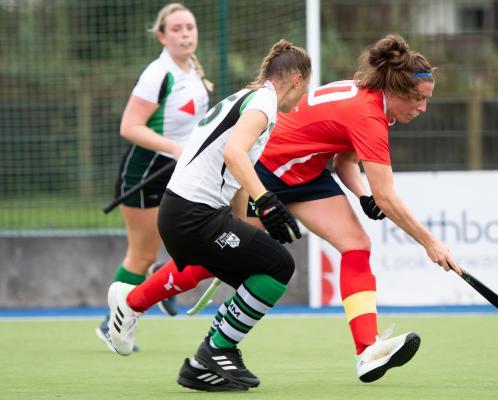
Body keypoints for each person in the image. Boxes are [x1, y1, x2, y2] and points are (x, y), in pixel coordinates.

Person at [107, 33, 461, 384]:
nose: (423, 107)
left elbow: (344, 162)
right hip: (266, 169)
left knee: (356, 246)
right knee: (218, 258)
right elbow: (388, 196)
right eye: (418, 99)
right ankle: (134, 301)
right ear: (396, 90)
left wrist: (361, 194)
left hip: (307, 172)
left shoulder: (372, 102)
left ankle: (367, 350)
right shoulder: (367, 115)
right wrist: (430, 242)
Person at [106, 39, 311, 392]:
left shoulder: (247, 97)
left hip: (185, 211)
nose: (302, 98)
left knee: (227, 262)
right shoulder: (263, 103)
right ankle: (215, 350)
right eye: (304, 89)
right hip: (191, 215)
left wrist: (244, 228)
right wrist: (268, 202)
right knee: (279, 266)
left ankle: (135, 303)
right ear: (295, 79)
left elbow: (236, 175)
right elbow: (235, 154)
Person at [96, 3, 212, 352]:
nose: (185, 34)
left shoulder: (194, 70)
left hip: (181, 173)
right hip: (144, 174)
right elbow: (129, 127)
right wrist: (176, 149)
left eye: (189, 27)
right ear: (162, 36)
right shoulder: (157, 74)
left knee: (194, 240)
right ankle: (109, 324)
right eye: (176, 29)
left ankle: (162, 276)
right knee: (141, 255)